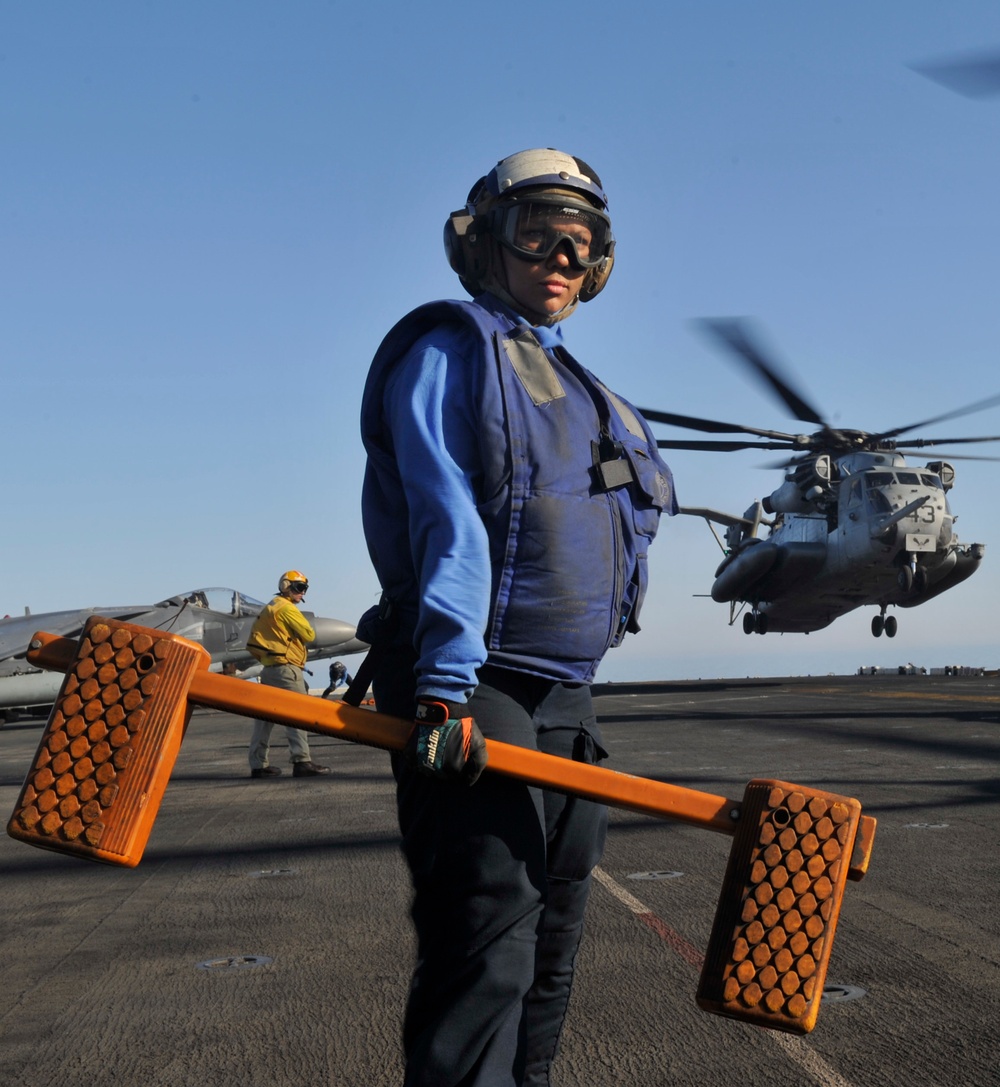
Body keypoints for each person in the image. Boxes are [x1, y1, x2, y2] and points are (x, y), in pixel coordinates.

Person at [359, 149, 676, 1086]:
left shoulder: (594, 396)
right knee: (489, 933)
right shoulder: (447, 348)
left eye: (584, 242)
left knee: (554, 940)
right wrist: (446, 684)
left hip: (566, 691)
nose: (563, 255)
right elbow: (446, 517)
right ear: (484, 240)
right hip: (472, 678)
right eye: (538, 230)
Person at [245, 570, 331, 778]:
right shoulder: (287, 608)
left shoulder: (271, 606)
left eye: (304, 589)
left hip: (269, 670)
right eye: (299, 588)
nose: (302, 593)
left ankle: (258, 765)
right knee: (297, 714)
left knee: (264, 719)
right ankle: (302, 761)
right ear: (286, 586)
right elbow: (309, 634)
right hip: (286, 670)